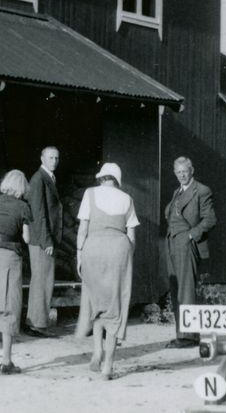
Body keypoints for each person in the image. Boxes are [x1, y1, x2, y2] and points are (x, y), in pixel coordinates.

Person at [75, 162, 139, 381]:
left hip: (93, 248)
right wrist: (126, 255)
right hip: (118, 250)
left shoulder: (89, 194)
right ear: (117, 179)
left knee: (95, 301)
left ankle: (97, 352)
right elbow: (131, 235)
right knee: (115, 306)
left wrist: (79, 254)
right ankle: (108, 367)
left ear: (101, 178)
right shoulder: (127, 199)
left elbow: (83, 229)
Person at [0, 169, 32, 374]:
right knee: (10, 304)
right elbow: (26, 239)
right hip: (10, 256)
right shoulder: (22, 207)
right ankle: (6, 361)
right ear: (21, 188)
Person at [163, 156, 215, 348]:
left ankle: (188, 337)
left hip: (186, 244)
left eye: (184, 171)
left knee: (185, 289)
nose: (181, 175)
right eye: (178, 172)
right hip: (172, 243)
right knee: (176, 288)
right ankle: (183, 333)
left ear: (191, 170)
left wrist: (190, 236)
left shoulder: (201, 191)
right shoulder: (177, 192)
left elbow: (209, 220)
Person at [24, 146, 62, 337]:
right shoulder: (39, 179)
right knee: (42, 281)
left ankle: (36, 321)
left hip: (43, 239)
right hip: (41, 241)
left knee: (42, 281)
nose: (54, 161)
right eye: (50, 157)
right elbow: (38, 214)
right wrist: (47, 241)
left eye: (56, 158)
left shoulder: (47, 178)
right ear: (42, 158)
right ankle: (37, 324)